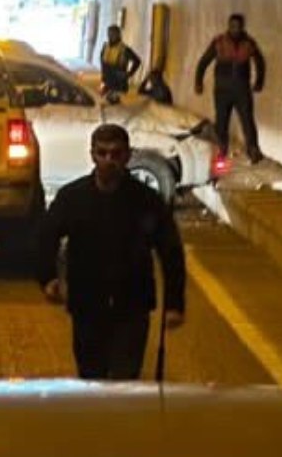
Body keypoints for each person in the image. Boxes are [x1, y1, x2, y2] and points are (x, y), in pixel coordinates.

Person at [38, 123, 186, 380]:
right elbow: (45, 238)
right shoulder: (73, 198)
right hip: (87, 305)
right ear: (92, 155)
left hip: (132, 306)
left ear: (128, 156)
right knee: (90, 379)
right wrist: (48, 278)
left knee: (124, 383)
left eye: (116, 154)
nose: (109, 161)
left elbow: (170, 251)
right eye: (102, 153)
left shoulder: (146, 201)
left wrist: (174, 304)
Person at [195, 13, 266, 163]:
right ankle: (220, 151)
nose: (235, 29)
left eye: (238, 26)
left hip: (242, 90)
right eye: (232, 26)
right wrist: (198, 81)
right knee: (221, 121)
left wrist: (259, 81)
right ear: (228, 26)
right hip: (222, 90)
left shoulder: (249, 43)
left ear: (242, 27)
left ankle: (253, 149)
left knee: (247, 120)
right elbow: (204, 61)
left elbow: (260, 62)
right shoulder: (219, 42)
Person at [99, 25, 142, 96]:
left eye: (113, 34)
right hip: (106, 81)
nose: (110, 35)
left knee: (116, 104)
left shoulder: (124, 49)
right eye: (109, 33)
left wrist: (129, 74)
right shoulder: (105, 46)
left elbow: (137, 61)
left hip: (119, 84)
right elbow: (102, 60)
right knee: (103, 100)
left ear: (118, 35)